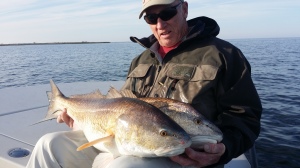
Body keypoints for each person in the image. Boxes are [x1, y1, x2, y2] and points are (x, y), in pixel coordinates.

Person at [26, 0, 262, 167]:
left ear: (185, 9)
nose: (160, 24)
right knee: (49, 144)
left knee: (125, 166)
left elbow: (245, 117)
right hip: (129, 143)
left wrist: (224, 150)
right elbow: (124, 105)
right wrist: (81, 120)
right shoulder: (141, 59)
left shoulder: (223, 54)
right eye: (151, 17)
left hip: (184, 157)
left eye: (168, 13)